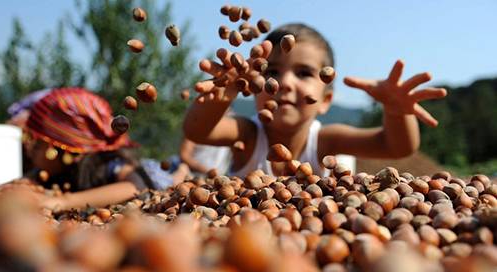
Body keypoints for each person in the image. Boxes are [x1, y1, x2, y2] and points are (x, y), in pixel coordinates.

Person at [183, 23, 447, 178]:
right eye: (272, 72)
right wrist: (222, 93)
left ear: (325, 100)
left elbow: (396, 147)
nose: (285, 83)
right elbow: (197, 131)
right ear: (251, 86)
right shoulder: (248, 134)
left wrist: (397, 113)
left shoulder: (327, 141)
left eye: (304, 73)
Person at [0, 87, 181, 211]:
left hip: (157, 173)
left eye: (36, 142)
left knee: (177, 173)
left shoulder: (106, 165)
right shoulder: (50, 172)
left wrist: (62, 202)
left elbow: (136, 186)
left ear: (63, 148)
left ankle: (183, 168)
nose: (28, 147)